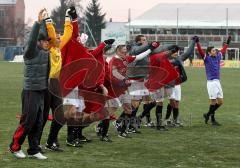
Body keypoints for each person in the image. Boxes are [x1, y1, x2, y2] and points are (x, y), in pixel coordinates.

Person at [9, 9, 49, 159]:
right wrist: (38, 23)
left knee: (38, 122)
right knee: (28, 121)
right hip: (30, 91)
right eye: (44, 41)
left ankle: (34, 150)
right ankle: (15, 147)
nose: (47, 43)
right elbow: (32, 39)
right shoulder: (30, 51)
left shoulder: (46, 53)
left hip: (41, 91)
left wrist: (46, 21)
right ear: (38, 42)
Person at [39, 7, 74, 151]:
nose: (60, 38)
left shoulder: (59, 47)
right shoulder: (52, 47)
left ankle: (50, 141)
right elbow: (53, 35)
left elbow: (68, 33)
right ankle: (36, 143)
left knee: (60, 115)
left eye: (60, 38)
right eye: (57, 38)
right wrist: (47, 21)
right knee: (43, 116)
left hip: (55, 83)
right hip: (46, 82)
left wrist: (67, 17)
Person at [196, 36, 231, 126]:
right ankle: (213, 120)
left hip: (217, 82)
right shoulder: (207, 58)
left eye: (215, 50)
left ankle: (207, 114)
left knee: (220, 102)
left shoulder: (218, 57)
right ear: (209, 52)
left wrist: (227, 43)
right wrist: (197, 43)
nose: (215, 51)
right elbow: (200, 51)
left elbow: (223, 50)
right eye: (213, 51)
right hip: (211, 82)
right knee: (213, 101)